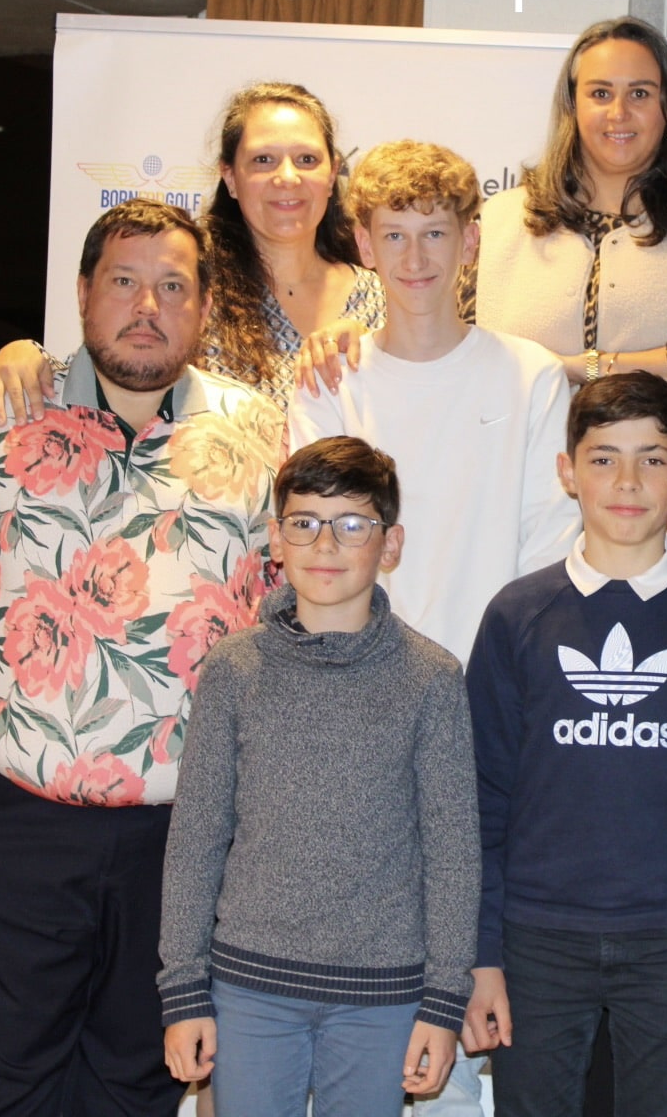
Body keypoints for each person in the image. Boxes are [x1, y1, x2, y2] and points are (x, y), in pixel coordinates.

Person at [0, 199, 283, 1116]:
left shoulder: (261, 433)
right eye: (124, 282)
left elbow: (289, 623)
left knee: (137, 1087)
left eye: (173, 286)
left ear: (205, 306)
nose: (147, 306)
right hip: (10, 827)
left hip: (184, 842)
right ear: (83, 294)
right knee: (5, 1087)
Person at [462, 373, 667, 1117]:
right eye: (603, 459)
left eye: (652, 459)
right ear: (567, 471)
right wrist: (480, 955)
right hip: (535, 939)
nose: (628, 482)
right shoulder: (517, 615)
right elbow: (480, 801)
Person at [157, 436, 479, 1115]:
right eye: (304, 522)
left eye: (352, 524)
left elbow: (453, 853)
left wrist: (444, 1002)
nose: (325, 545)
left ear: (390, 544)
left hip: (381, 997)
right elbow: (196, 839)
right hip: (248, 988)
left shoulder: (432, 679)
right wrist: (184, 989)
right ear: (276, 539)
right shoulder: (234, 670)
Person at [288, 138, 579, 661]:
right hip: (364, 675)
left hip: (496, 675)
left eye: (435, 234)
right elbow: (323, 553)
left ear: (470, 242)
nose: (415, 258)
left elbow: (548, 550)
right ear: (366, 246)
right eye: (394, 235)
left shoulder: (533, 377)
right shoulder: (329, 383)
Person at [0, 81, 385, 421]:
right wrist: (28, 358)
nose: (287, 177)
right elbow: (112, 366)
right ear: (230, 177)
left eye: (307, 159)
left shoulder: (382, 297)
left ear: (332, 173)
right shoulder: (185, 287)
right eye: (263, 160)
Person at [464, 16, 667, 391]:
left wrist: (583, 368)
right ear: (572, 106)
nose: (619, 113)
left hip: (659, 432)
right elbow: (450, 341)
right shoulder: (498, 222)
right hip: (511, 430)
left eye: (640, 94)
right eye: (600, 94)